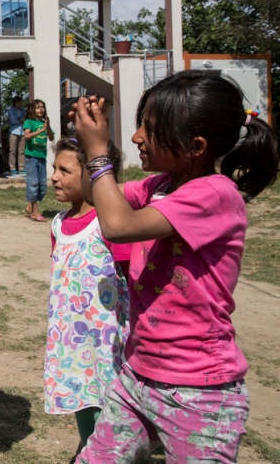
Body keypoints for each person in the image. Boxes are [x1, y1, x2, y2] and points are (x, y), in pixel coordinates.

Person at [72, 70, 280, 462]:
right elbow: (94, 193)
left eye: (149, 130)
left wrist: (100, 154)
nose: (137, 138)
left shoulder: (215, 194)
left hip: (198, 392)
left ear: (195, 146)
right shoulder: (160, 186)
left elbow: (118, 226)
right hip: (138, 375)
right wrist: (91, 144)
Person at [45, 138, 129, 457]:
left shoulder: (111, 224)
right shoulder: (58, 225)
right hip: (72, 340)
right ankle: (90, 447)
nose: (54, 176)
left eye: (64, 170)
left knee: (111, 405)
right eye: (54, 168)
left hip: (108, 341)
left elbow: (131, 278)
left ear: (92, 175)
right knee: (82, 398)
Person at [24, 98, 54, 222]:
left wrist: (47, 126)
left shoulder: (44, 123)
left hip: (42, 157)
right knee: (34, 184)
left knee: (42, 185)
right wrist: (41, 130)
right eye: (37, 107)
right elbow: (26, 136)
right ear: (32, 109)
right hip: (31, 157)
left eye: (42, 107)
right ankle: (35, 213)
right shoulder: (29, 122)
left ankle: (29, 207)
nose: (41, 109)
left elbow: (51, 138)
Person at [5, 96, 26, 175]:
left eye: (21, 102)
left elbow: (26, 119)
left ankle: (21, 167)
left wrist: (20, 120)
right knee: (12, 150)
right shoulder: (10, 110)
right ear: (15, 102)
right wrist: (20, 120)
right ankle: (12, 168)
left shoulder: (23, 110)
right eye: (19, 102)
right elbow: (13, 120)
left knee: (22, 151)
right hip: (14, 131)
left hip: (22, 131)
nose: (20, 103)